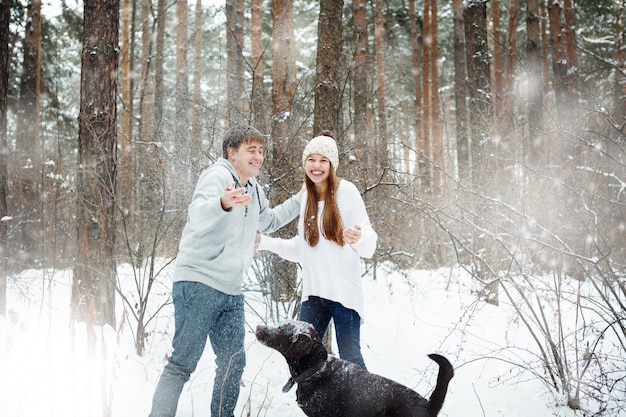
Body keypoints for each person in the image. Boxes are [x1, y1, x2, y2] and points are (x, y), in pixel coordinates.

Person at [149, 125, 303, 417]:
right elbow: (198, 213)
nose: (258, 157)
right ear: (232, 153)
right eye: (251, 150)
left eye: (261, 151)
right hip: (199, 283)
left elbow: (268, 221)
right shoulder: (217, 176)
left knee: (233, 362)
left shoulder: (253, 188)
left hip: (231, 291)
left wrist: (303, 196)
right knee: (183, 363)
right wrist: (223, 202)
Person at [256, 130, 377, 376]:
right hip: (314, 295)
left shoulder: (347, 192)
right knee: (302, 361)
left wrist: (360, 237)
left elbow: (370, 244)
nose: (317, 166)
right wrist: (264, 242)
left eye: (323, 160)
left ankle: (373, 408)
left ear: (332, 165)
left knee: (350, 358)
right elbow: (302, 250)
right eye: (311, 159)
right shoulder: (306, 198)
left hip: (344, 294)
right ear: (305, 164)